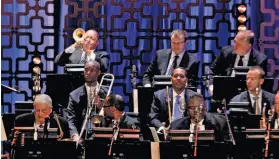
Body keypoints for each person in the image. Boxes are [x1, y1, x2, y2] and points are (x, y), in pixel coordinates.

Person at [148, 67, 200, 133]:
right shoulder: (159, 96)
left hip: (188, 134)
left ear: (186, 80)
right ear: (171, 79)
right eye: (175, 76)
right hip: (166, 134)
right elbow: (153, 117)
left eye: (181, 76)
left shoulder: (195, 97)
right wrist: (161, 128)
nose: (178, 78)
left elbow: (200, 118)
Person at [66, 60, 107, 142]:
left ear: (99, 72)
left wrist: (101, 106)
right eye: (86, 70)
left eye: (92, 70)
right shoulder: (74, 95)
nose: (88, 73)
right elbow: (70, 119)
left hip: (103, 136)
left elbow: (113, 115)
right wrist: (75, 135)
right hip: (81, 136)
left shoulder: (107, 93)